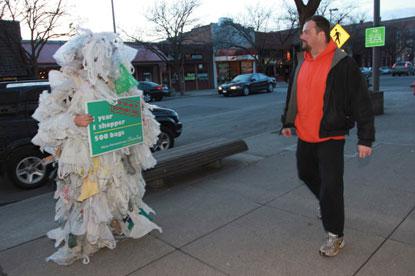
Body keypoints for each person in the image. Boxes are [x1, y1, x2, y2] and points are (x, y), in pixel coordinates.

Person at [32, 30, 162, 265]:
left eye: (107, 56)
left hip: (116, 152)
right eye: (97, 56)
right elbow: (46, 122)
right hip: (85, 157)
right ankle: (82, 241)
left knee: (118, 191)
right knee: (88, 198)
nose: (104, 61)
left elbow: (135, 109)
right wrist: (73, 121)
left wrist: (140, 119)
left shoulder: (119, 83)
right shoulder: (70, 82)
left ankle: (117, 223)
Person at [280, 15, 375, 257]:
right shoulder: (302, 61)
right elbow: (293, 93)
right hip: (305, 134)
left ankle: (335, 236)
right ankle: (326, 203)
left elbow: (362, 102)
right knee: (306, 174)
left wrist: (365, 138)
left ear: (321, 35)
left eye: (306, 32)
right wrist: (287, 121)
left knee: (332, 187)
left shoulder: (343, 64)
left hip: (331, 136)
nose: (301, 36)